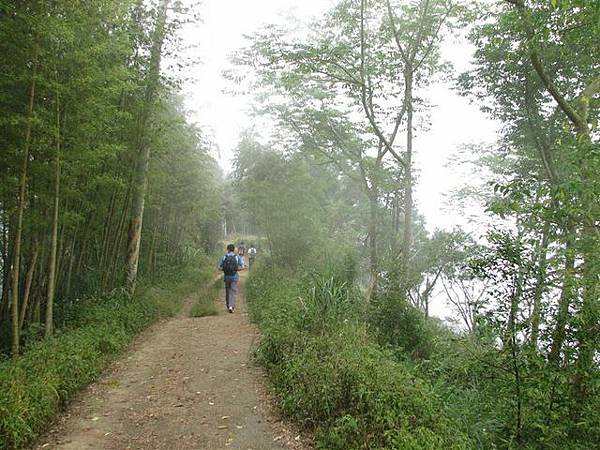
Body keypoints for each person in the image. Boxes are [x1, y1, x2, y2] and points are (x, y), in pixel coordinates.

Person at [219, 243, 244, 313]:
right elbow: (242, 266)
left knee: (227, 291)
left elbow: (219, 267)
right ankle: (231, 306)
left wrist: (224, 269)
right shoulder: (237, 257)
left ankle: (228, 306)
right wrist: (236, 270)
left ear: (228, 250)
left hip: (226, 277)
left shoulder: (224, 257)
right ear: (234, 250)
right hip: (234, 277)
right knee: (233, 291)